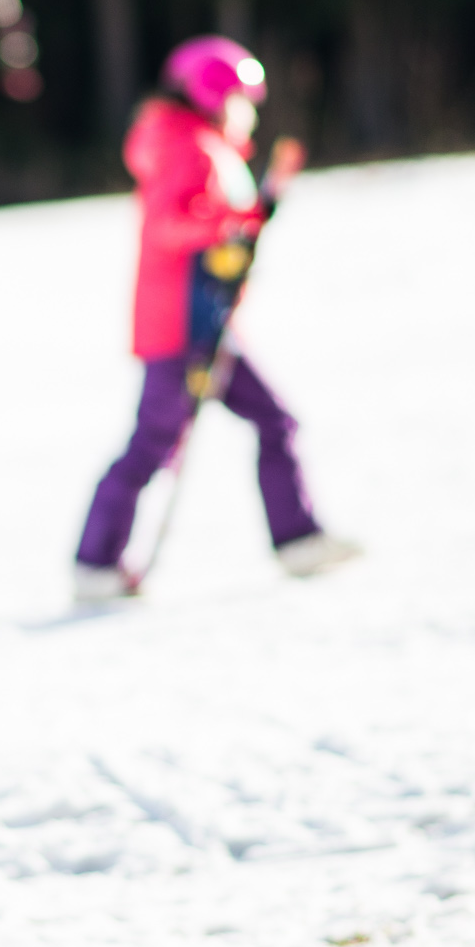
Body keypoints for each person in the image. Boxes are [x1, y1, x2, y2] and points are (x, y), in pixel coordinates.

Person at [73, 35, 358, 601]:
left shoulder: (197, 143)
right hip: (183, 327)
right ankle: (95, 565)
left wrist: (248, 216)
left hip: (206, 321)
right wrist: (233, 224)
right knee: (156, 442)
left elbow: (210, 219)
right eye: (240, 100)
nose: (247, 113)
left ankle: (298, 539)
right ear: (211, 96)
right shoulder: (188, 145)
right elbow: (170, 224)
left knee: (274, 421)